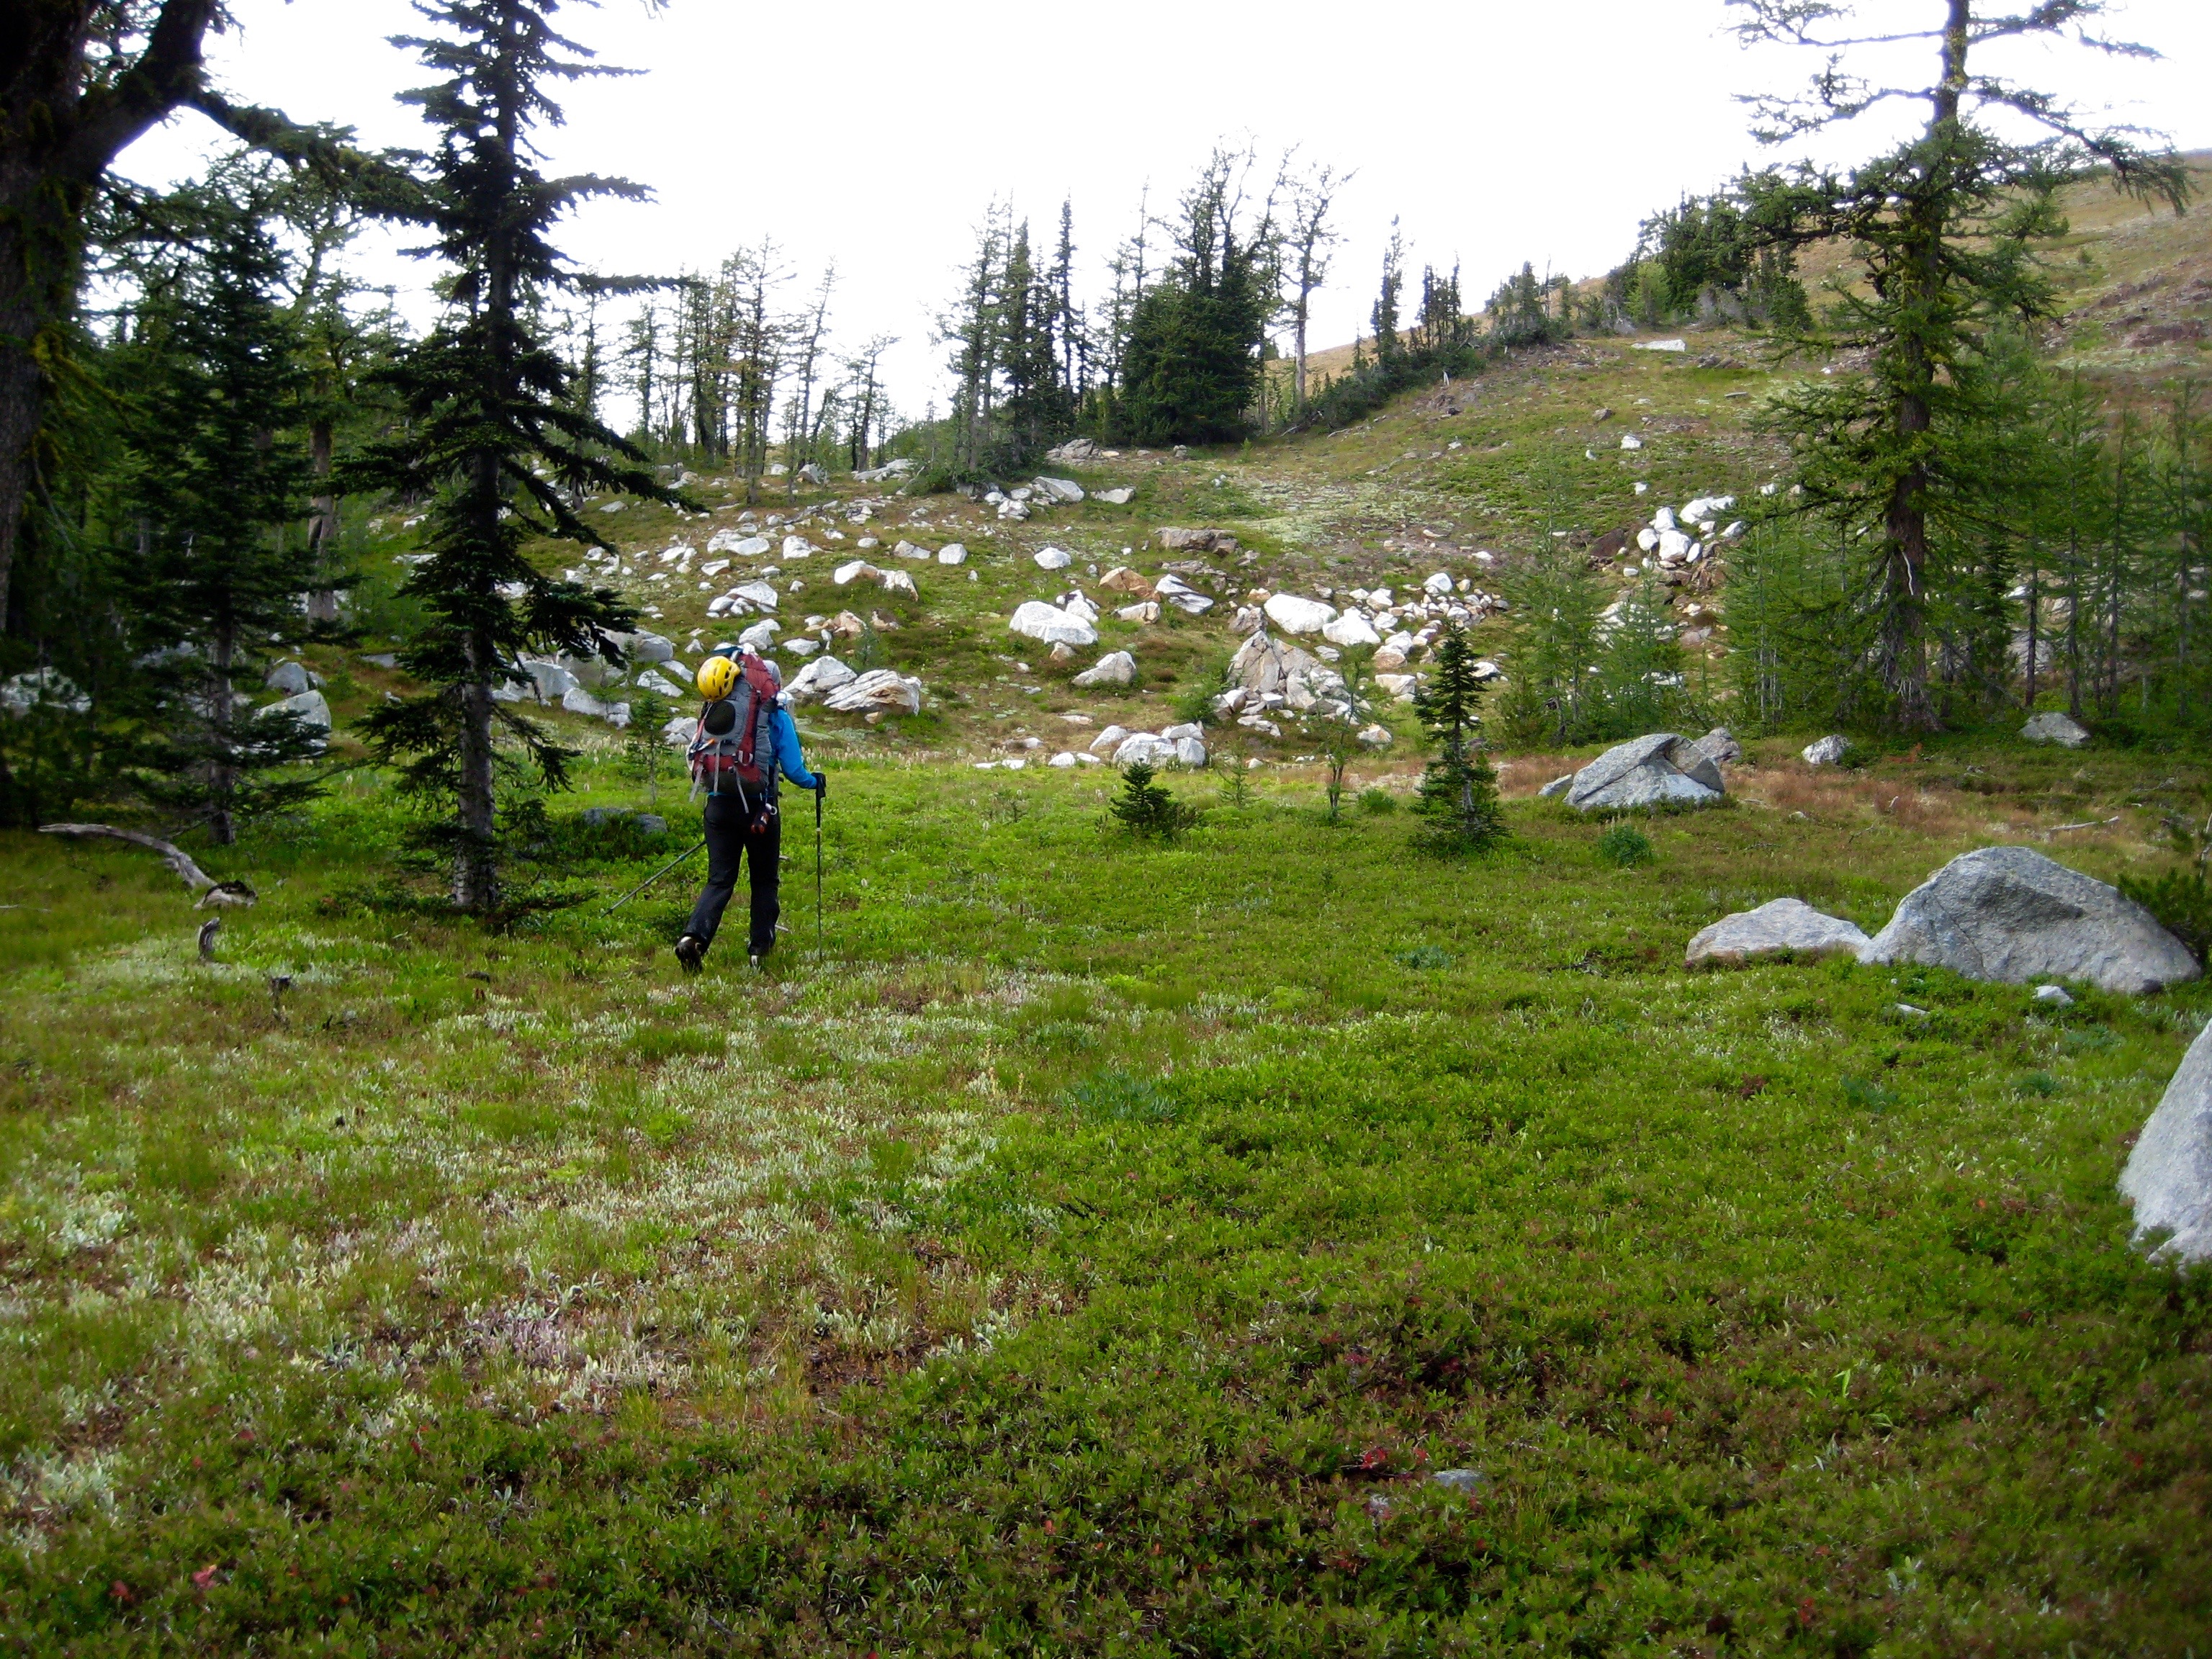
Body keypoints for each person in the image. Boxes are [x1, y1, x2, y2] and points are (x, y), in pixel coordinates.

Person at [673, 649, 820, 972]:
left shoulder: (715, 709)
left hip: (718, 806)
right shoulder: (774, 716)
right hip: (759, 810)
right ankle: (759, 950)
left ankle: (692, 938)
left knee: (719, 880)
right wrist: (815, 783)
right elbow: (795, 771)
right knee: (764, 879)